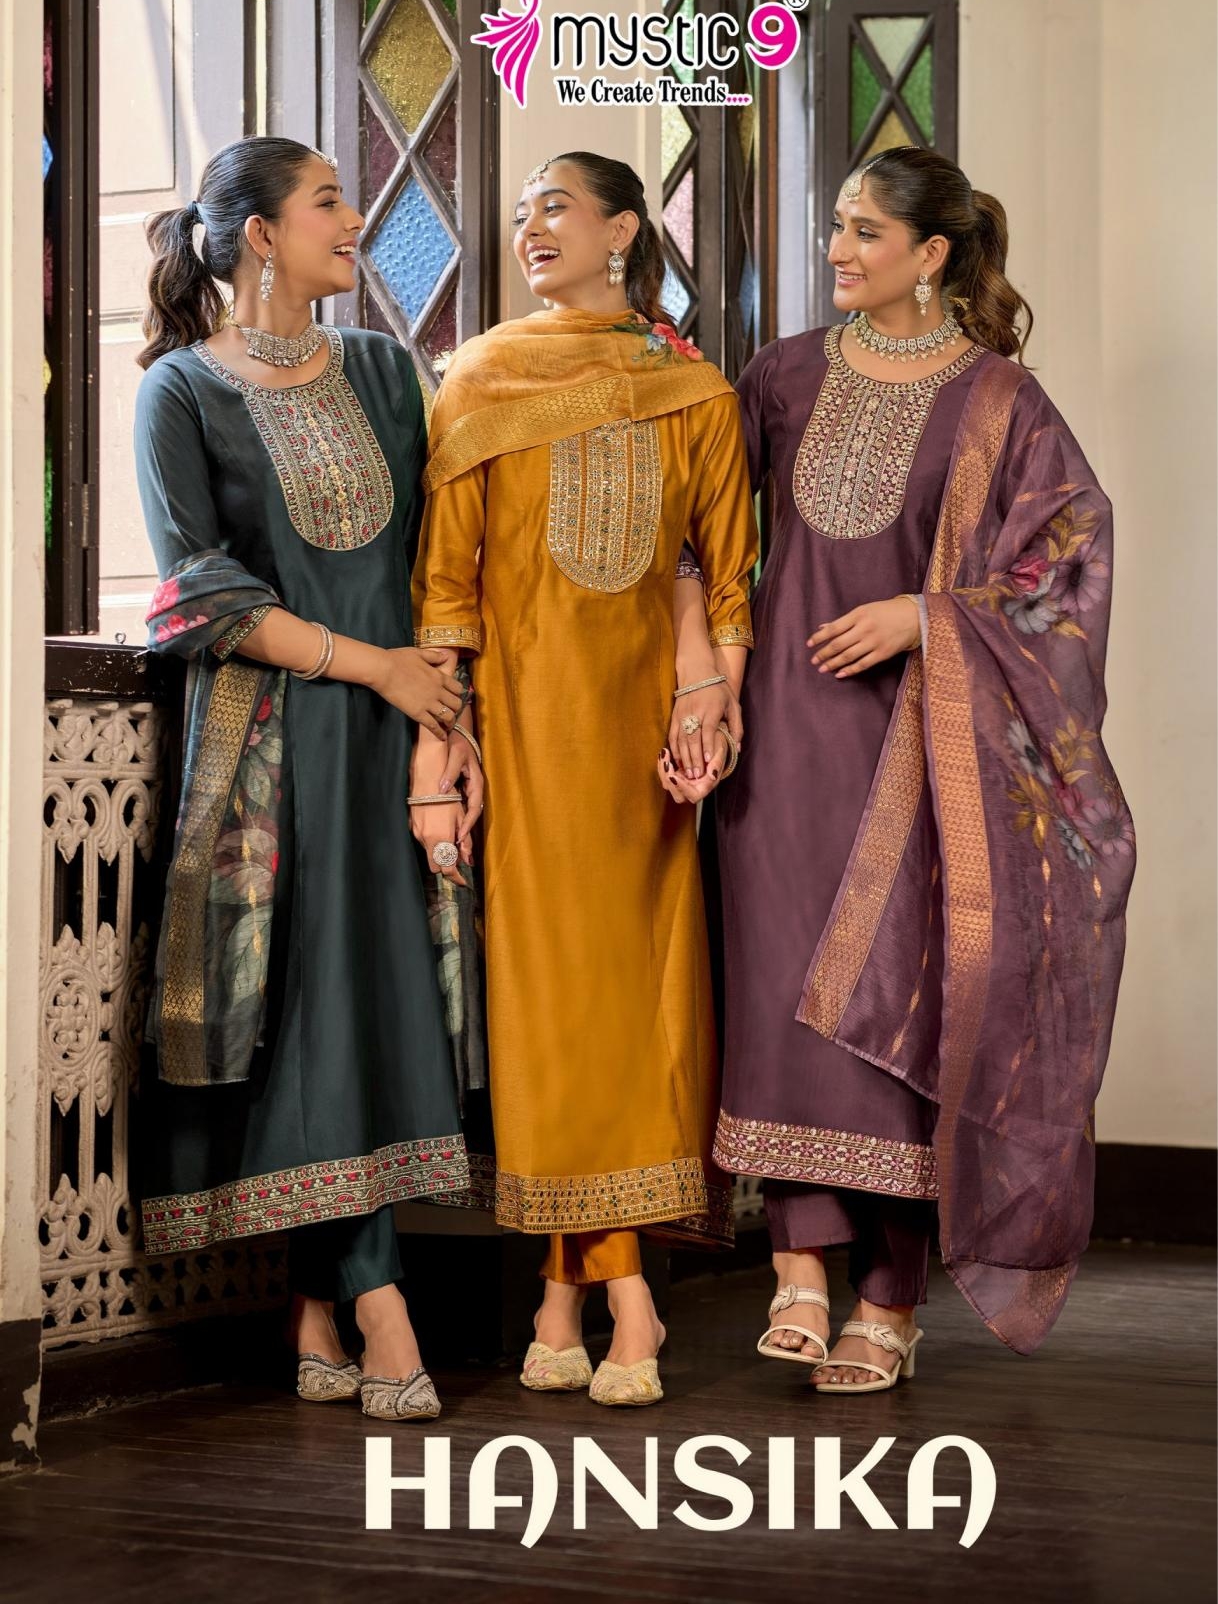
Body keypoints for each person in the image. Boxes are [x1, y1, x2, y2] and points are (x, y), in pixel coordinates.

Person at [712, 145, 1134, 1391]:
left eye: (863, 232)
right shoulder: (782, 375)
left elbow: (1067, 566)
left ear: (931, 254)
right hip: (782, 737)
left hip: (923, 747)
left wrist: (926, 617)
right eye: (837, 225)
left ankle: (890, 1297)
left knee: (907, 999)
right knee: (779, 994)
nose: (836, 249)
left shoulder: (1001, 401)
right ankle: (797, 1262)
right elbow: (708, 532)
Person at [133, 135, 482, 1422]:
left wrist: (442, 720)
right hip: (269, 745)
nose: (354, 220)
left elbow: (444, 555)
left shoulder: (387, 370)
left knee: (367, 1009)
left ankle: (316, 1308)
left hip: (395, 739)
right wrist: (372, 668)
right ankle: (383, 1309)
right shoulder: (179, 390)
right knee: (304, 1009)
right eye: (329, 200)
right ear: (262, 236)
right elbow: (196, 590)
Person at [411, 152, 757, 1406]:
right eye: (521, 215)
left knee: (635, 1003)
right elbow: (446, 590)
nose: (532, 228)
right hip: (521, 738)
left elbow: (728, 574)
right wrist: (439, 746)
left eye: (555, 206)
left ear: (623, 230)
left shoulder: (692, 390)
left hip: (646, 752)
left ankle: (570, 1300)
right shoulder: (477, 377)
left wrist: (712, 705)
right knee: (551, 1008)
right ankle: (624, 1299)